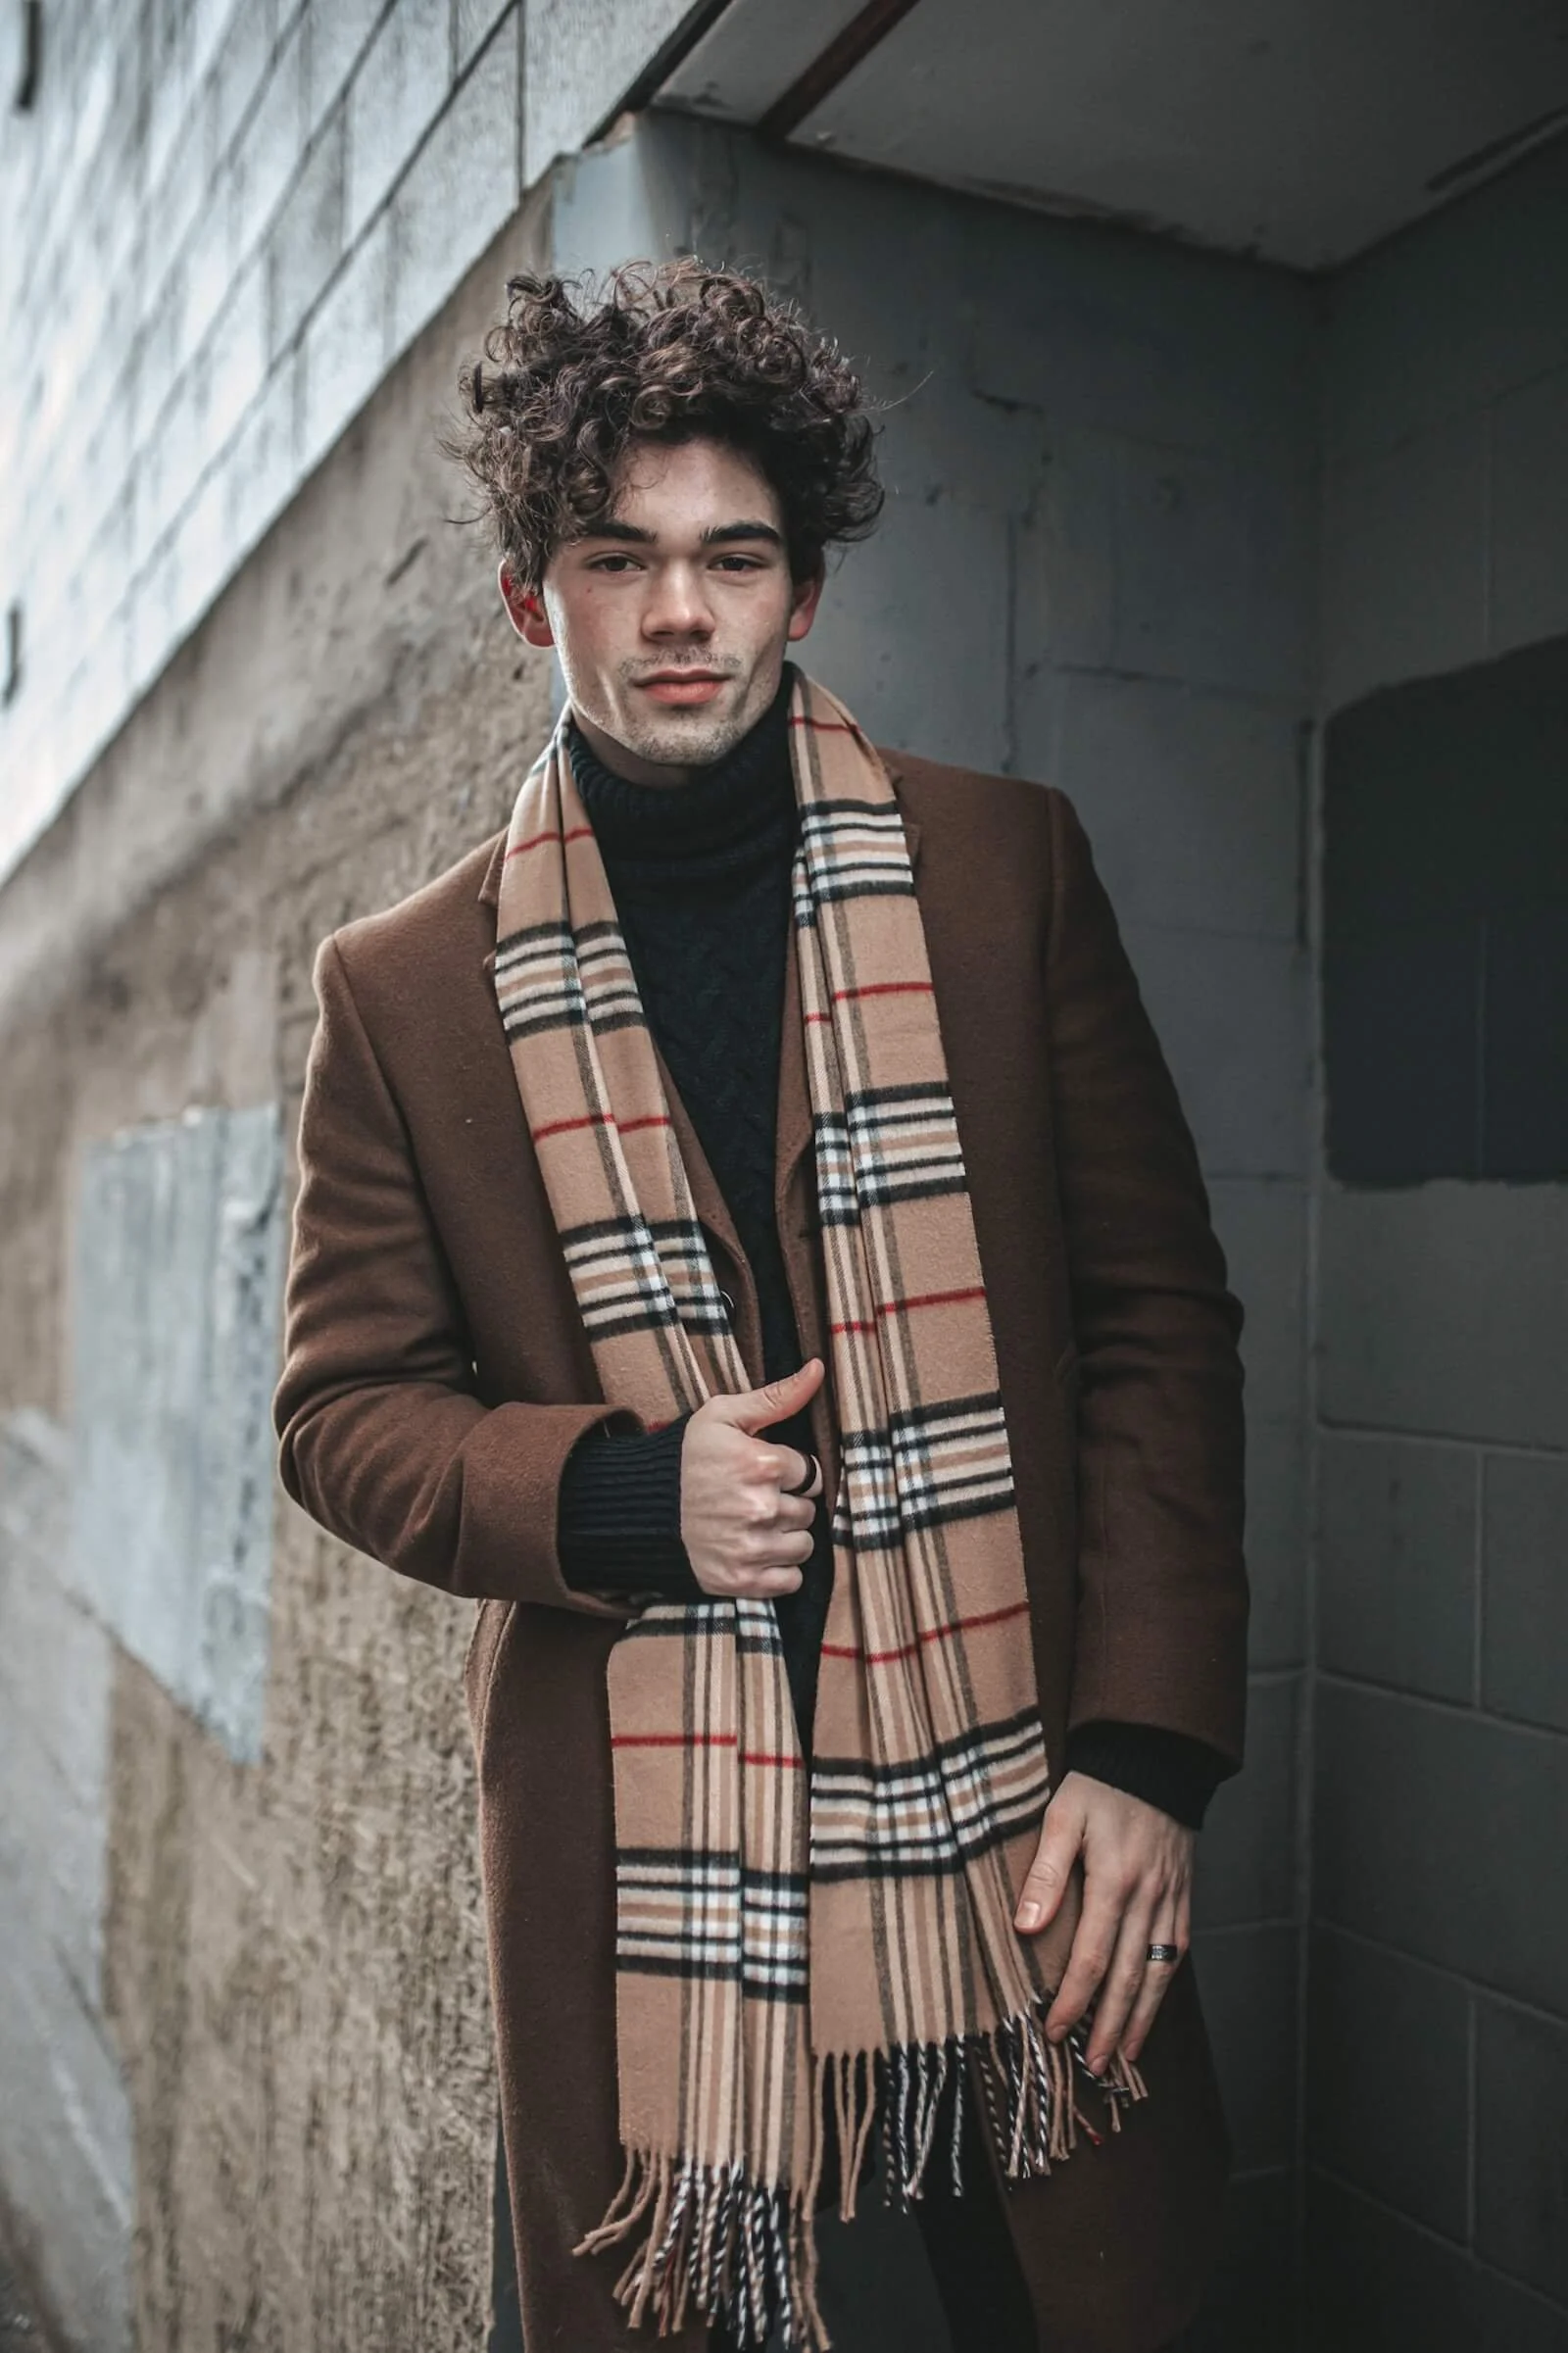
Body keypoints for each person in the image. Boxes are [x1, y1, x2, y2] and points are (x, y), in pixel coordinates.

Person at [273, 261, 1248, 2353]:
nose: (680, 613)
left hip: (1012, 1808)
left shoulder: (1006, 875)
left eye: (731, 556)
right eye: (617, 558)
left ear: (803, 590)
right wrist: (624, 1497)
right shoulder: (401, 985)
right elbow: (341, 1411)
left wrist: (1146, 1751)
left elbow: (1159, 1313)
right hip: (649, 1847)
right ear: (536, 599)